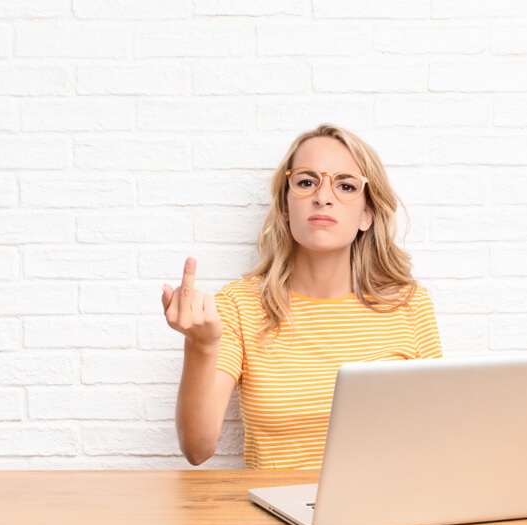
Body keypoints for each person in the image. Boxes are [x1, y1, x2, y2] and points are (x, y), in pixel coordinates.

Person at [162, 124, 442, 469]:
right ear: (285, 204)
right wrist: (201, 346)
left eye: (346, 186)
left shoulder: (410, 305)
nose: (323, 197)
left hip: (384, 513)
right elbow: (197, 448)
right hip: (274, 517)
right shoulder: (239, 305)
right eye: (307, 182)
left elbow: (437, 437)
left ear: (367, 214)